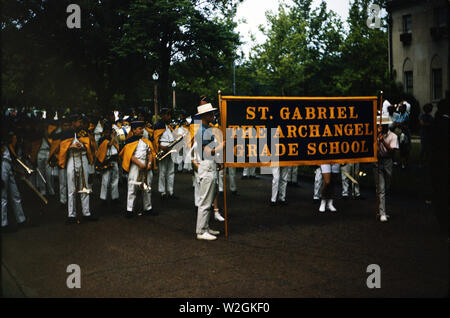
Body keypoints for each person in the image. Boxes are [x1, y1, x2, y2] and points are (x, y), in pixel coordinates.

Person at [57, 113, 97, 224]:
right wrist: (71, 146)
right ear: (73, 123)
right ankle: (71, 215)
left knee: (85, 186)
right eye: (78, 121)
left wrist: (83, 146)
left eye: (81, 121)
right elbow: (62, 147)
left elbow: (92, 146)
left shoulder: (86, 133)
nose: (81, 123)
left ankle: (86, 213)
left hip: (83, 158)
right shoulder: (67, 133)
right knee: (71, 188)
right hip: (71, 158)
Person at [193, 101, 224, 241]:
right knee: (205, 200)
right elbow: (208, 152)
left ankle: (205, 227)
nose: (213, 115)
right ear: (205, 116)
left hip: (210, 166)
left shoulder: (207, 130)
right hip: (206, 165)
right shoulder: (202, 131)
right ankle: (200, 230)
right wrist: (224, 145)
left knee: (209, 198)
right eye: (210, 113)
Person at [119, 119, 155, 218]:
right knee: (132, 188)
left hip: (146, 166)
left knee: (147, 187)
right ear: (134, 130)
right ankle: (130, 210)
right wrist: (139, 164)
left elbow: (150, 152)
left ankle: (148, 208)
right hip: (135, 166)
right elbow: (129, 156)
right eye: (140, 129)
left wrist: (149, 164)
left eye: (142, 128)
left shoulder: (146, 140)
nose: (142, 130)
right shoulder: (129, 142)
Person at [374, 115, 399, 222]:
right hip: (377, 162)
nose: (380, 127)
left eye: (382, 125)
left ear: (386, 125)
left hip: (388, 161)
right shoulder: (374, 135)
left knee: (387, 186)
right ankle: (382, 212)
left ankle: (381, 208)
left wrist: (382, 140)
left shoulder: (393, 136)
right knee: (381, 188)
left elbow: (392, 151)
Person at [1, 129, 27, 231]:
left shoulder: (8, 143)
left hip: (8, 165)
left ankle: (21, 219)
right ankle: (3, 224)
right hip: (2, 165)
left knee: (15, 194)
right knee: (3, 197)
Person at [154, 108, 176, 200]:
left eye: (170, 115)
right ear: (163, 115)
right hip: (163, 150)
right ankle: (162, 192)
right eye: (168, 115)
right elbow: (154, 139)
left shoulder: (170, 126)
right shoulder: (158, 126)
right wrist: (160, 147)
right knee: (162, 172)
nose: (169, 117)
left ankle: (170, 192)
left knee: (171, 171)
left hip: (170, 150)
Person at [96, 123, 120, 205]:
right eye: (106, 132)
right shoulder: (102, 139)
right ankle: (103, 198)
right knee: (105, 180)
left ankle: (115, 197)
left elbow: (117, 147)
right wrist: (113, 137)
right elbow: (109, 144)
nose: (108, 133)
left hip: (114, 160)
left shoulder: (113, 139)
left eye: (109, 132)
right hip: (106, 161)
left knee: (115, 180)